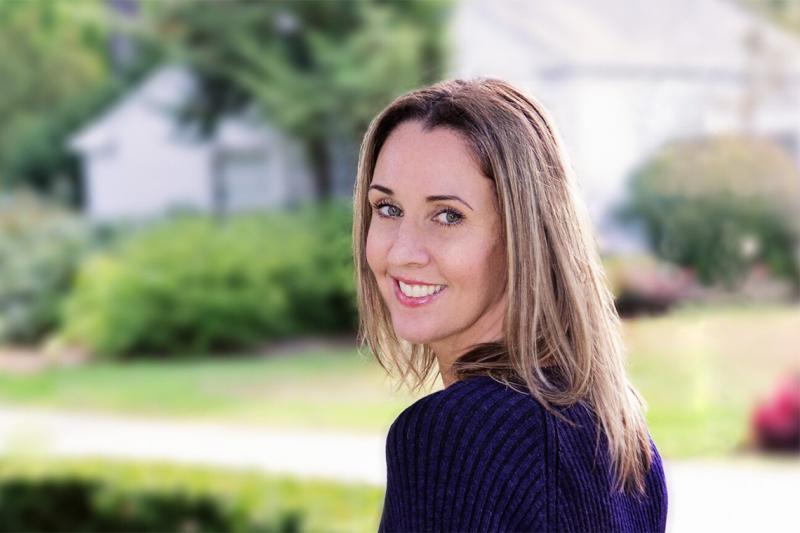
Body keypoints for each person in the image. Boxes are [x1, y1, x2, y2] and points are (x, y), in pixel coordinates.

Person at [351, 78, 668, 532]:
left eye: (447, 216)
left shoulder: (451, 436)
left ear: (523, 238)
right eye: (387, 209)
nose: (402, 251)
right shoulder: (621, 439)